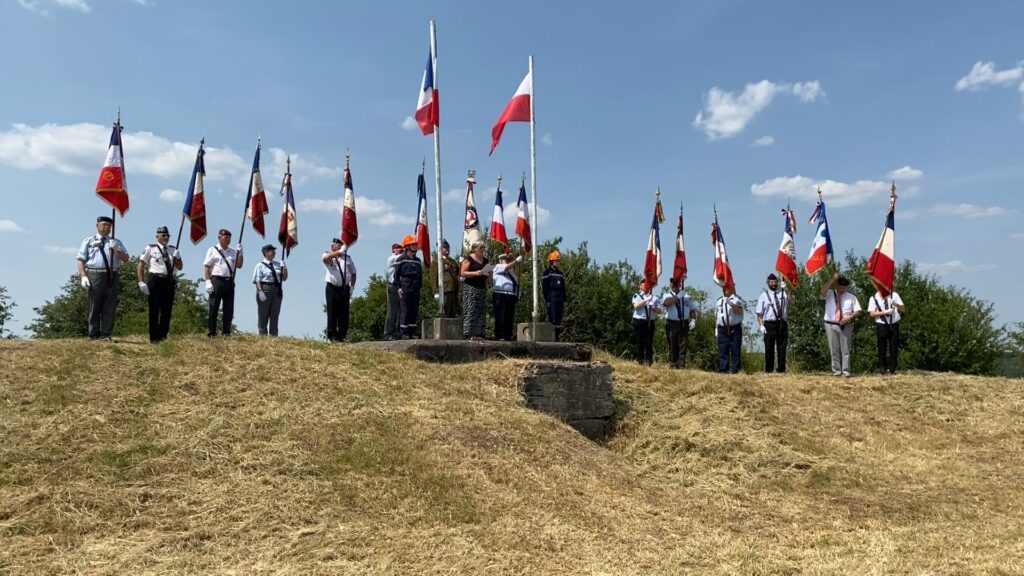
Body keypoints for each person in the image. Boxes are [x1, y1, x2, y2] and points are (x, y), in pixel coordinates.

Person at [76, 215, 130, 339]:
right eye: (104, 225)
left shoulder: (116, 241)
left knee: (109, 305)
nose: (107, 227)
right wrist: (83, 276)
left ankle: (106, 334)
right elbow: (80, 260)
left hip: (112, 274)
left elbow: (126, 259)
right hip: (94, 274)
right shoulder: (88, 241)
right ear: (97, 225)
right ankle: (93, 334)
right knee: (94, 305)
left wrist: (117, 250)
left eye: (109, 226)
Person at [136, 225, 183, 343]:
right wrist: (141, 281)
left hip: (169, 281)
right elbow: (140, 265)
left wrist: (177, 258)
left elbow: (180, 267)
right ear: (157, 236)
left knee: (167, 310)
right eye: (163, 235)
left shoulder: (173, 249)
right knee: (154, 310)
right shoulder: (150, 248)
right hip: (155, 280)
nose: (166, 237)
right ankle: (154, 337)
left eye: (168, 235)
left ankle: (163, 336)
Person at [203, 228, 244, 337]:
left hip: (229, 281)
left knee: (229, 308)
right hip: (217, 280)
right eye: (225, 237)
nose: (228, 239)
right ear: (219, 237)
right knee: (214, 307)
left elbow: (239, 265)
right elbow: (207, 267)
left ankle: (226, 331)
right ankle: (212, 332)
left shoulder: (233, 251)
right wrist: (207, 281)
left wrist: (240, 253)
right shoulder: (212, 250)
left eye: (229, 238)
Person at [820, 273, 862, 377]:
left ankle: (846, 372)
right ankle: (836, 371)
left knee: (845, 350)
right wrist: (831, 280)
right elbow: (822, 292)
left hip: (845, 325)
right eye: (840, 287)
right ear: (836, 285)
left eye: (845, 287)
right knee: (834, 350)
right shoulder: (829, 293)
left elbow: (858, 311)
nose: (842, 289)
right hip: (830, 324)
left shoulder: (851, 297)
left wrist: (850, 316)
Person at [756, 273, 795, 373]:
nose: (773, 284)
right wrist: (761, 325)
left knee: (782, 347)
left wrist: (786, 289)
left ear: (778, 282)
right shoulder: (763, 296)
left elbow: (792, 302)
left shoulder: (783, 293)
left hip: (782, 323)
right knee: (769, 348)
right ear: (768, 283)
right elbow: (759, 313)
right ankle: (769, 370)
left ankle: (781, 369)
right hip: (769, 324)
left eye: (775, 282)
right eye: (771, 282)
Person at [323, 238, 356, 342]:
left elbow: (353, 273)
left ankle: (343, 335)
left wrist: (352, 287)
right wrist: (339, 252)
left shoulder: (347, 258)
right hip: (332, 288)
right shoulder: (328, 255)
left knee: (344, 313)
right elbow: (325, 259)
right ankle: (332, 336)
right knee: (332, 312)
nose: (332, 246)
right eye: (332, 245)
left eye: (336, 245)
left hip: (344, 289)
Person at [252, 244, 287, 336]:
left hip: (277, 290)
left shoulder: (278, 265)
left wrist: (284, 268)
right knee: (263, 314)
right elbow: (257, 280)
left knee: (275, 313)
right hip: (265, 289)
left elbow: (284, 278)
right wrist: (260, 291)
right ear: (266, 253)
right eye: (272, 251)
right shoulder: (260, 265)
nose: (274, 252)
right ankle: (262, 334)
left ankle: (273, 334)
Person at [392, 235, 423, 339]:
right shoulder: (401, 259)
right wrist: (398, 288)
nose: (415, 246)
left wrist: (419, 286)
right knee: (405, 308)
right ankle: (404, 332)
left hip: (416, 286)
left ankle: (412, 331)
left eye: (415, 244)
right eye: (413, 244)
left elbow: (420, 275)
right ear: (407, 246)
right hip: (405, 284)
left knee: (414, 308)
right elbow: (396, 275)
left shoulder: (418, 260)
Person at [868, 289, 906, 374]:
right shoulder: (874, 298)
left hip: (894, 323)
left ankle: (892, 369)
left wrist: (895, 304)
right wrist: (884, 312)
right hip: (881, 324)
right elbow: (871, 313)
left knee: (894, 348)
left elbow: (903, 309)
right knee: (882, 348)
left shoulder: (894, 295)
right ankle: (882, 368)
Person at [661, 277, 695, 369]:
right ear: (670, 284)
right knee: (672, 344)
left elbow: (692, 309)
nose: (673, 284)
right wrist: (678, 297)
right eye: (672, 283)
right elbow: (666, 303)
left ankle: (681, 365)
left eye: (676, 283)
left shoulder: (687, 296)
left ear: (680, 284)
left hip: (684, 322)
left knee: (682, 345)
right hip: (672, 323)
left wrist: (693, 320)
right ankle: (673, 364)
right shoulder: (667, 295)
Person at [460, 240, 490, 341]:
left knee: (480, 311)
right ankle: (469, 333)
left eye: (483, 248)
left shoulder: (485, 260)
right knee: (471, 310)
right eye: (481, 248)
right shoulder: (468, 259)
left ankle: (480, 333)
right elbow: (463, 273)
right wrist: (476, 273)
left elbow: (489, 272)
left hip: (481, 287)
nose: (483, 250)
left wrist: (488, 273)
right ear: (474, 249)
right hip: (471, 288)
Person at [492, 253, 523, 341]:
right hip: (500, 294)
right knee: (500, 316)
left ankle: (507, 335)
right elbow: (506, 267)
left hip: (510, 295)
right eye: (506, 259)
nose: (508, 261)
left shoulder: (511, 271)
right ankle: (499, 335)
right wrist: (516, 261)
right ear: (501, 259)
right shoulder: (497, 267)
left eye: (509, 259)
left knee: (509, 317)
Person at [716, 286, 745, 373]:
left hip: (734, 328)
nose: (726, 290)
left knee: (735, 349)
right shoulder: (719, 300)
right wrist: (716, 329)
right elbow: (717, 315)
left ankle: (735, 369)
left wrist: (731, 304)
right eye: (724, 288)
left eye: (728, 287)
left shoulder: (738, 299)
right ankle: (723, 369)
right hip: (722, 328)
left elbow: (739, 311)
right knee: (723, 350)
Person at [430, 239, 460, 318]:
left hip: (454, 289)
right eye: (445, 247)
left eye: (448, 247)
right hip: (444, 290)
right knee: (444, 314)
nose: (447, 249)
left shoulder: (452, 261)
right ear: (440, 249)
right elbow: (433, 277)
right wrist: (435, 292)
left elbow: (458, 272)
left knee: (452, 314)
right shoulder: (437, 261)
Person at [631, 279, 659, 365]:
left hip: (650, 321)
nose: (645, 285)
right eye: (643, 283)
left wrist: (654, 307)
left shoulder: (654, 297)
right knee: (640, 342)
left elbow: (659, 311)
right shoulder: (637, 295)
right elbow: (635, 306)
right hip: (639, 321)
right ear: (640, 286)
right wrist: (645, 300)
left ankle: (649, 361)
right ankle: (640, 361)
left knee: (649, 342)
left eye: (647, 283)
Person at [542, 250, 567, 341]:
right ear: (552, 261)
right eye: (556, 260)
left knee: (559, 317)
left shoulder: (560, 273)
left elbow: (563, 287)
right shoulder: (547, 273)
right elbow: (545, 288)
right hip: (552, 296)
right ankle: (551, 337)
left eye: (558, 260)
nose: (558, 262)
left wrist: (564, 299)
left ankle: (557, 337)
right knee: (552, 316)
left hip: (560, 296)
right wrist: (547, 300)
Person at [384, 242, 402, 340]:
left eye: (401, 248)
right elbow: (399, 258)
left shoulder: (402, 258)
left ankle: (399, 332)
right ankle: (388, 333)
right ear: (393, 250)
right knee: (392, 311)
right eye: (397, 248)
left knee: (401, 311)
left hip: (400, 286)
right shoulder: (391, 258)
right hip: (392, 285)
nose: (399, 250)